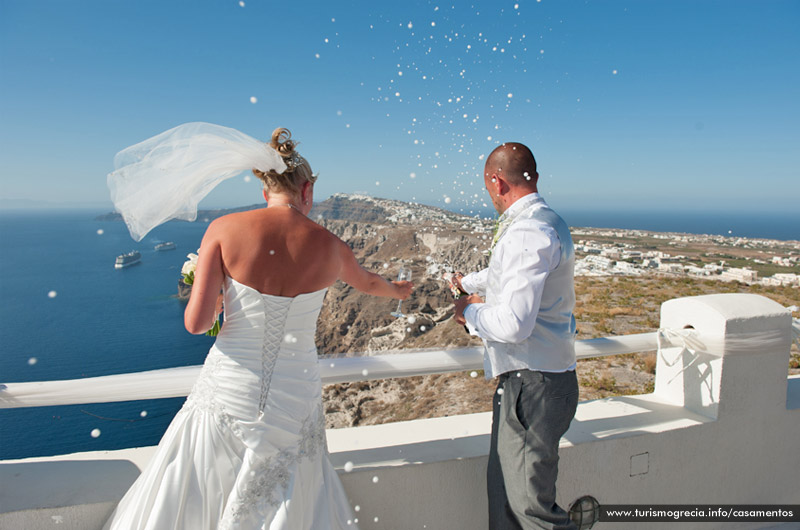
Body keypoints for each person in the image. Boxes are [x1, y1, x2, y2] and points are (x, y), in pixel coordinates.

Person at [105, 127, 413, 530]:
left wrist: (216, 300)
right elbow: (370, 283)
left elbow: (196, 325)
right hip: (296, 393)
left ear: (266, 191)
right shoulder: (332, 246)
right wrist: (400, 291)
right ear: (307, 191)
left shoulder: (224, 229)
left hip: (230, 388)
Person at [451, 142, 578, 530]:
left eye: (488, 188)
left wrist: (469, 311)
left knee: (530, 511)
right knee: (506, 498)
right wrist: (467, 283)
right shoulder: (547, 220)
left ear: (497, 182)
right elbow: (513, 273)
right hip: (540, 380)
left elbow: (513, 325)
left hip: (532, 384)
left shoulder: (527, 231)